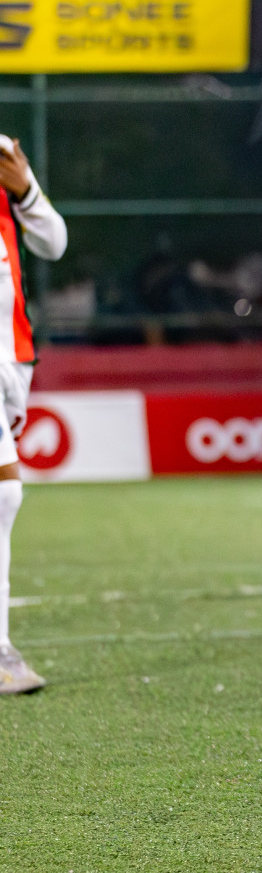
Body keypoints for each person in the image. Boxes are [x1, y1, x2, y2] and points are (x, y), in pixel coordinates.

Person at [0, 134, 67, 695]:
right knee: (4, 493)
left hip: (12, 354)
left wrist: (26, 192)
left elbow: (53, 242)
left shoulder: (3, 152)